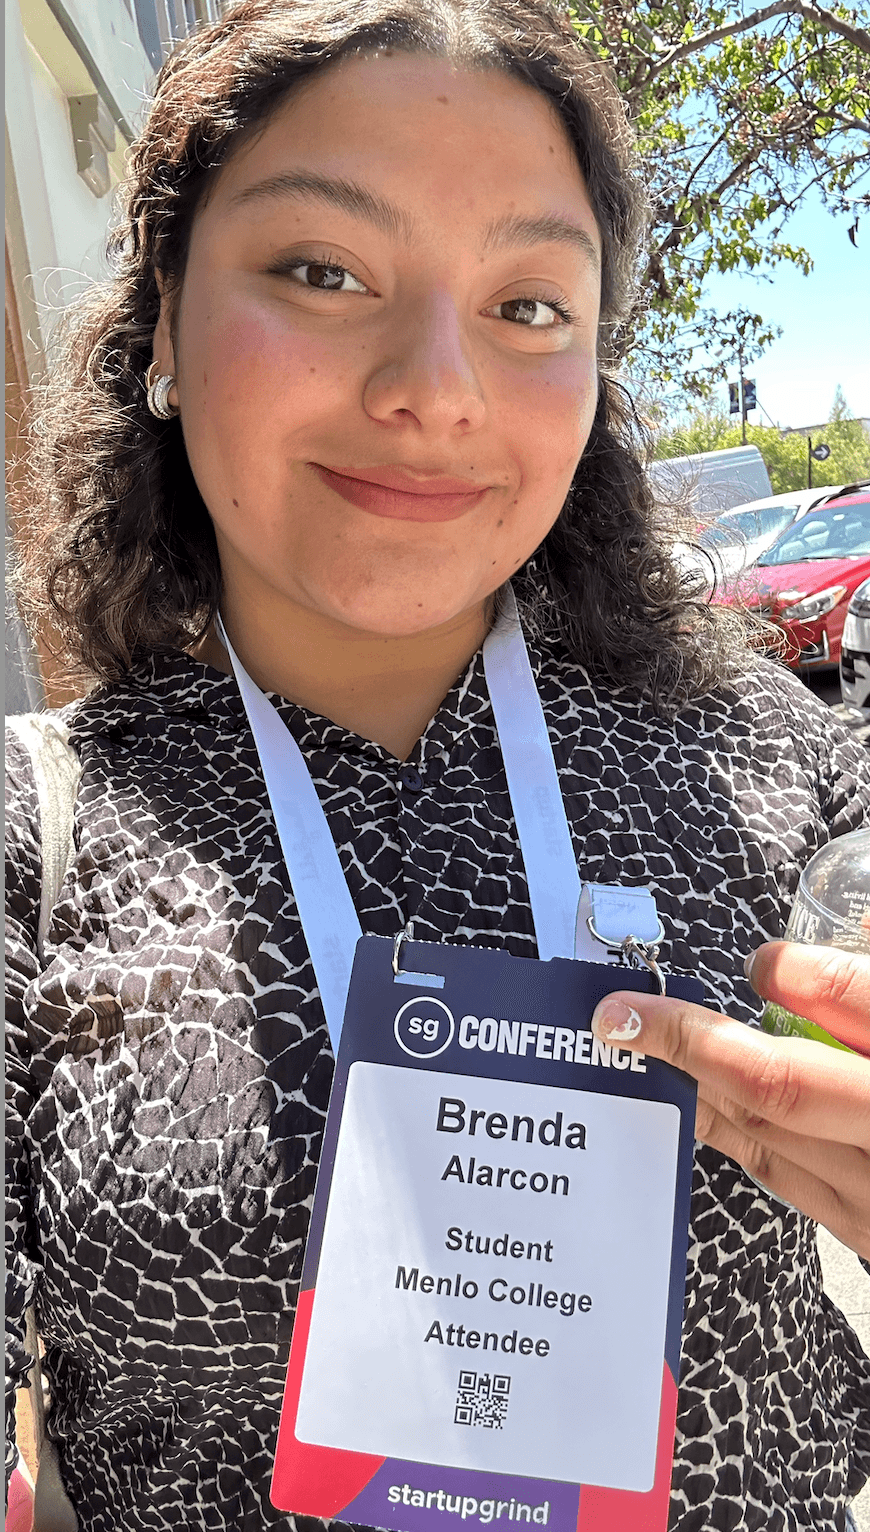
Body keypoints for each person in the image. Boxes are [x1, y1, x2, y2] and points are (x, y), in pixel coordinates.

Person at [5, 1, 869, 1528]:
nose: (434, 388)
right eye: (321, 271)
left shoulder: (795, 778)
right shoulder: (40, 839)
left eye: (529, 305)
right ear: (160, 326)